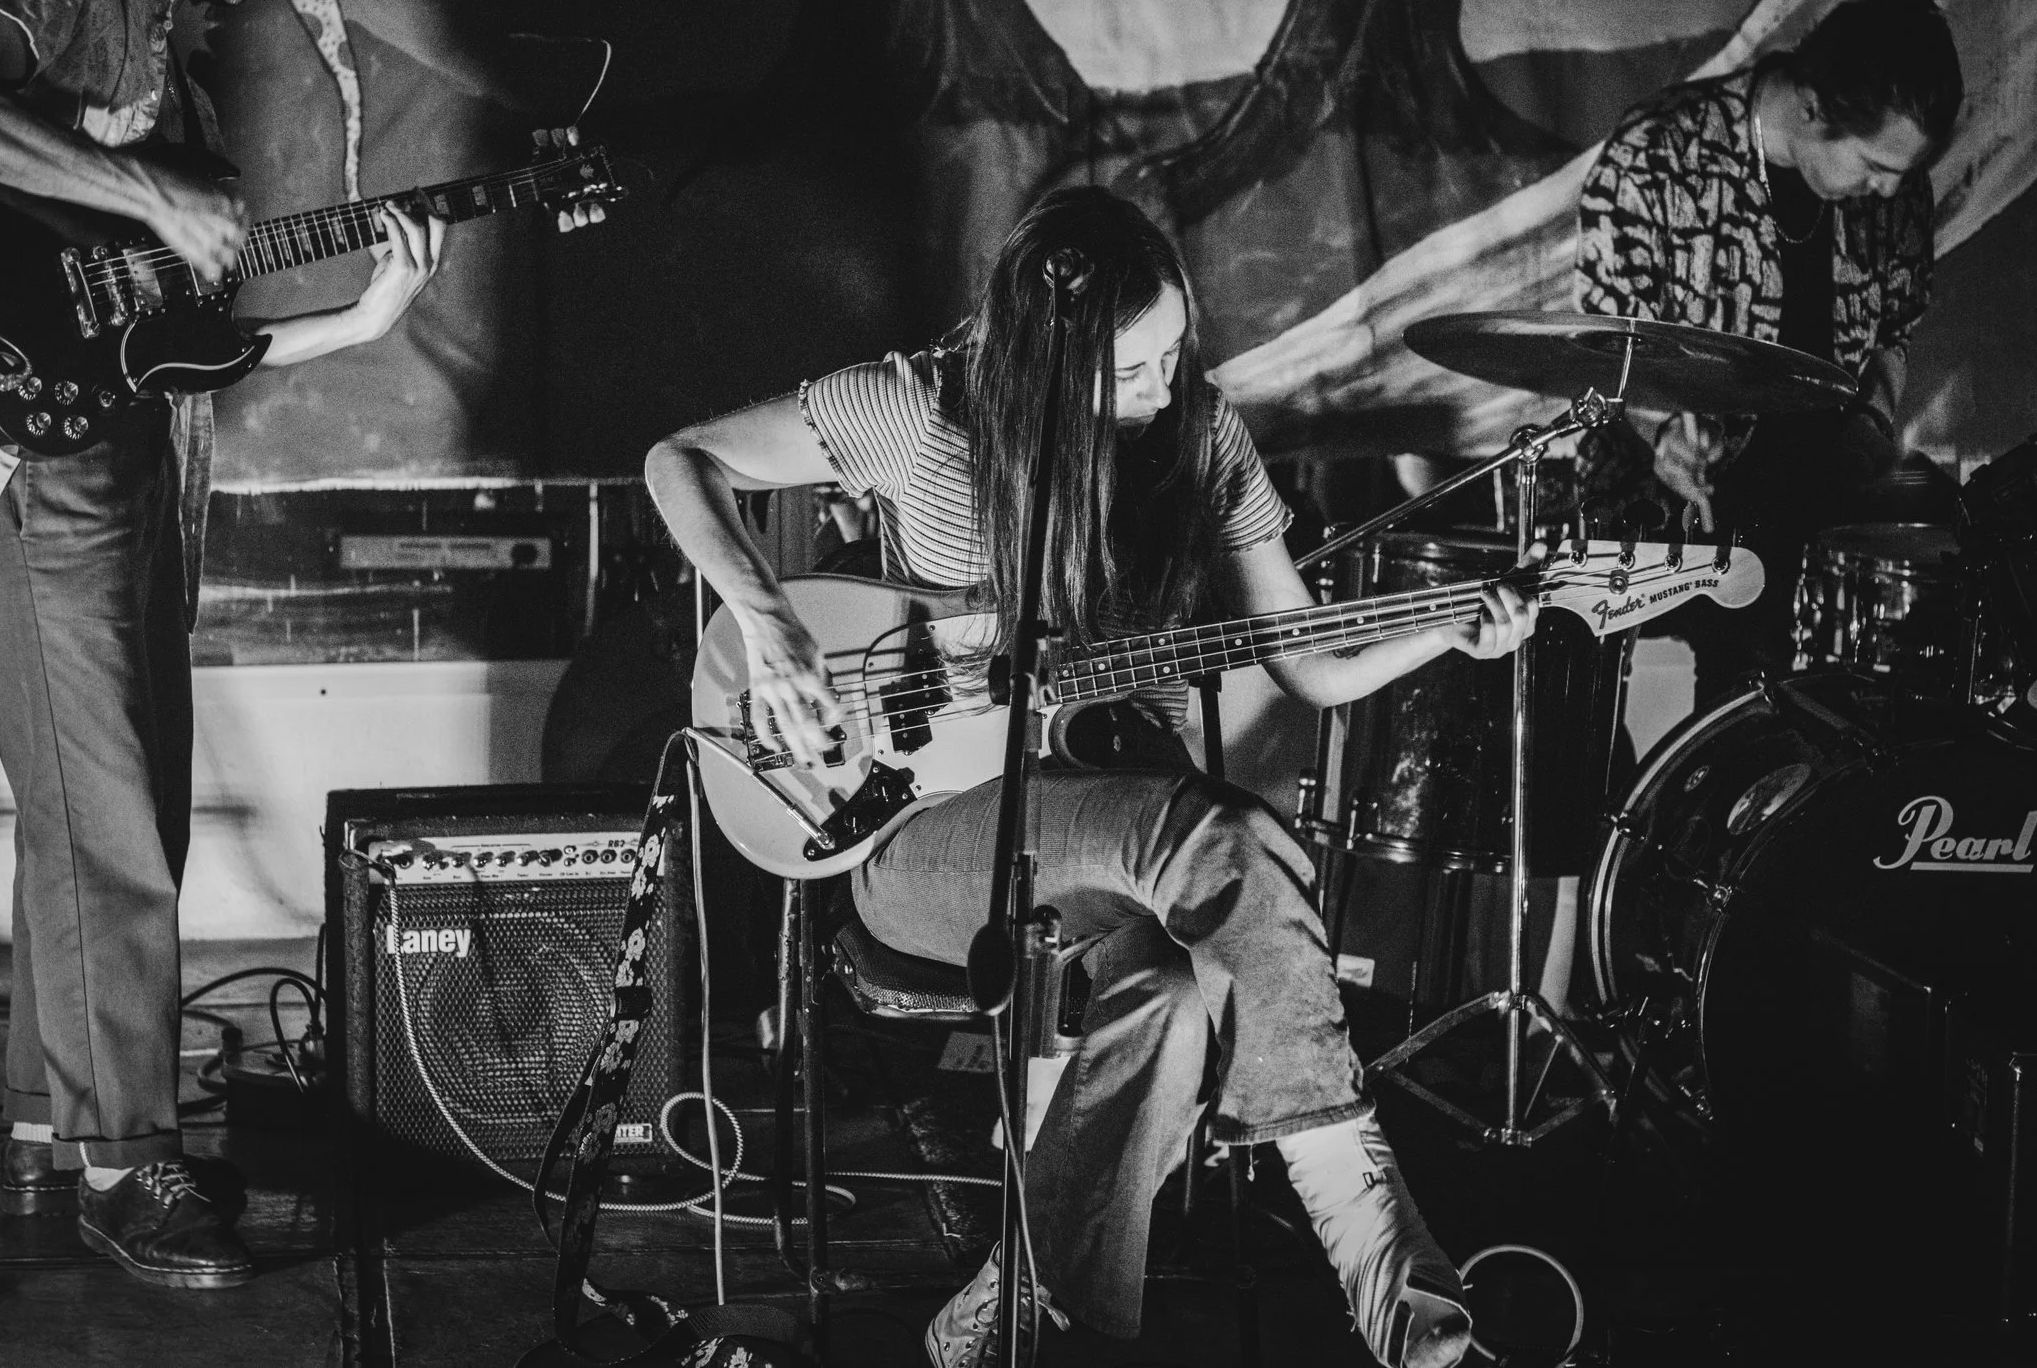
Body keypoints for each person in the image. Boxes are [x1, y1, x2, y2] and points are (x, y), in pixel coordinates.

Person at [0, 0, 596, 1288]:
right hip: (14, 448)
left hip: (130, 453)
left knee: (127, 801)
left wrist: (367, 309)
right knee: (109, 812)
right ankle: (131, 1162)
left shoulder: (186, 81)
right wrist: (140, 187)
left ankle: (50, 1123)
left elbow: (175, 338)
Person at [647, 186, 1536, 1368]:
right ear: (1040, 360)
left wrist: (1447, 630)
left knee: (1168, 988)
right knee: (1215, 836)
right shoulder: (915, 411)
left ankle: (1023, 1310)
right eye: (1130, 369)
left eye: (1173, 354)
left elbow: (1307, 665)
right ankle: (1385, 1262)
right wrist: (766, 621)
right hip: (916, 830)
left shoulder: (1200, 434)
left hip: (1115, 821)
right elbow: (681, 458)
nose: (1162, 388)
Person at [1573, 0, 1963, 704]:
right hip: (1657, 474)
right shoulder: (1658, 154)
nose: (1890, 192)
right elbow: (1603, 343)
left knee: (1978, 565)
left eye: (1904, 176)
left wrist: (1872, 426)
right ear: (1812, 106)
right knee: (1748, 597)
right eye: (1875, 166)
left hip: (1818, 473)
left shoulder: (1895, 193)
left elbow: (1894, 331)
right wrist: (1663, 433)